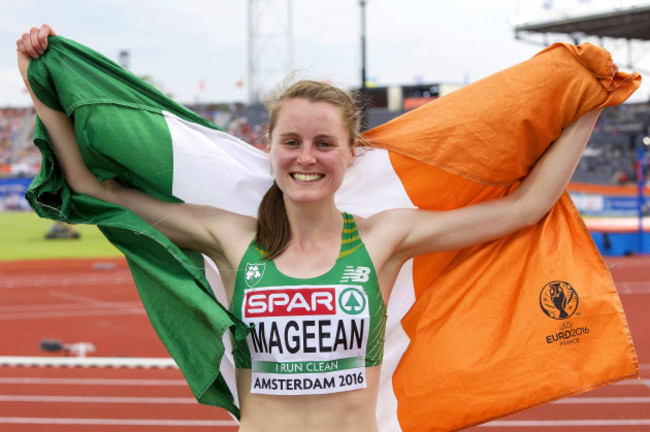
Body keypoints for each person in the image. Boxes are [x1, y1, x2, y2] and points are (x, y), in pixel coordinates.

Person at [17, 24, 602, 432]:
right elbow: (97, 191)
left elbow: (525, 208)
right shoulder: (231, 238)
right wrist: (40, 86)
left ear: (351, 155)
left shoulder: (384, 237)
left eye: (325, 143)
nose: (307, 157)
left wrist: (590, 104)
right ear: (267, 148)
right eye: (291, 141)